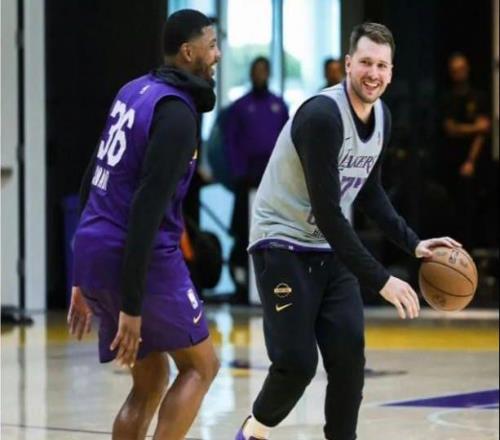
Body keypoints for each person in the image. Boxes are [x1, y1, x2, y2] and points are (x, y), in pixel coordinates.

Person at [235, 23, 461, 440]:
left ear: (391, 71)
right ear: (347, 65)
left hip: (328, 247)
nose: (373, 73)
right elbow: (327, 212)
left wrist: (414, 245)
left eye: (381, 65)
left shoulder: (382, 117)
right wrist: (381, 279)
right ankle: (253, 431)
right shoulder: (322, 117)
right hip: (281, 242)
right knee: (297, 365)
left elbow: (369, 192)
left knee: (348, 360)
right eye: (365, 63)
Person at [67, 9, 221, 440]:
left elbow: (91, 178)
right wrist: (132, 307)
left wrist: (82, 273)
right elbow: (146, 211)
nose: (217, 54)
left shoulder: (132, 91)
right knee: (202, 366)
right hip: (141, 257)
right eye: (211, 46)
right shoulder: (177, 114)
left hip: (96, 249)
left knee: (150, 381)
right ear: (188, 52)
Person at [226, 56, 289, 302]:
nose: (260, 74)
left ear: (269, 73)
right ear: (251, 74)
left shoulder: (278, 105)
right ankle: (241, 283)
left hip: (272, 180)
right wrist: (238, 171)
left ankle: (274, 285)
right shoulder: (240, 107)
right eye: (256, 70)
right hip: (247, 179)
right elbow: (230, 141)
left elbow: (287, 141)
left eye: (264, 70)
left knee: (273, 232)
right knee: (243, 230)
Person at [441, 52, 491, 249]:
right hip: (451, 160)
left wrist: (470, 160)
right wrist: (474, 127)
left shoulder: (478, 97)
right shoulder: (448, 98)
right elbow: (450, 129)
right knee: (453, 209)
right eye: (454, 70)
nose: (458, 73)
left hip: (473, 161)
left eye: (461, 69)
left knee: (475, 207)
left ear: (467, 69)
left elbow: (484, 130)